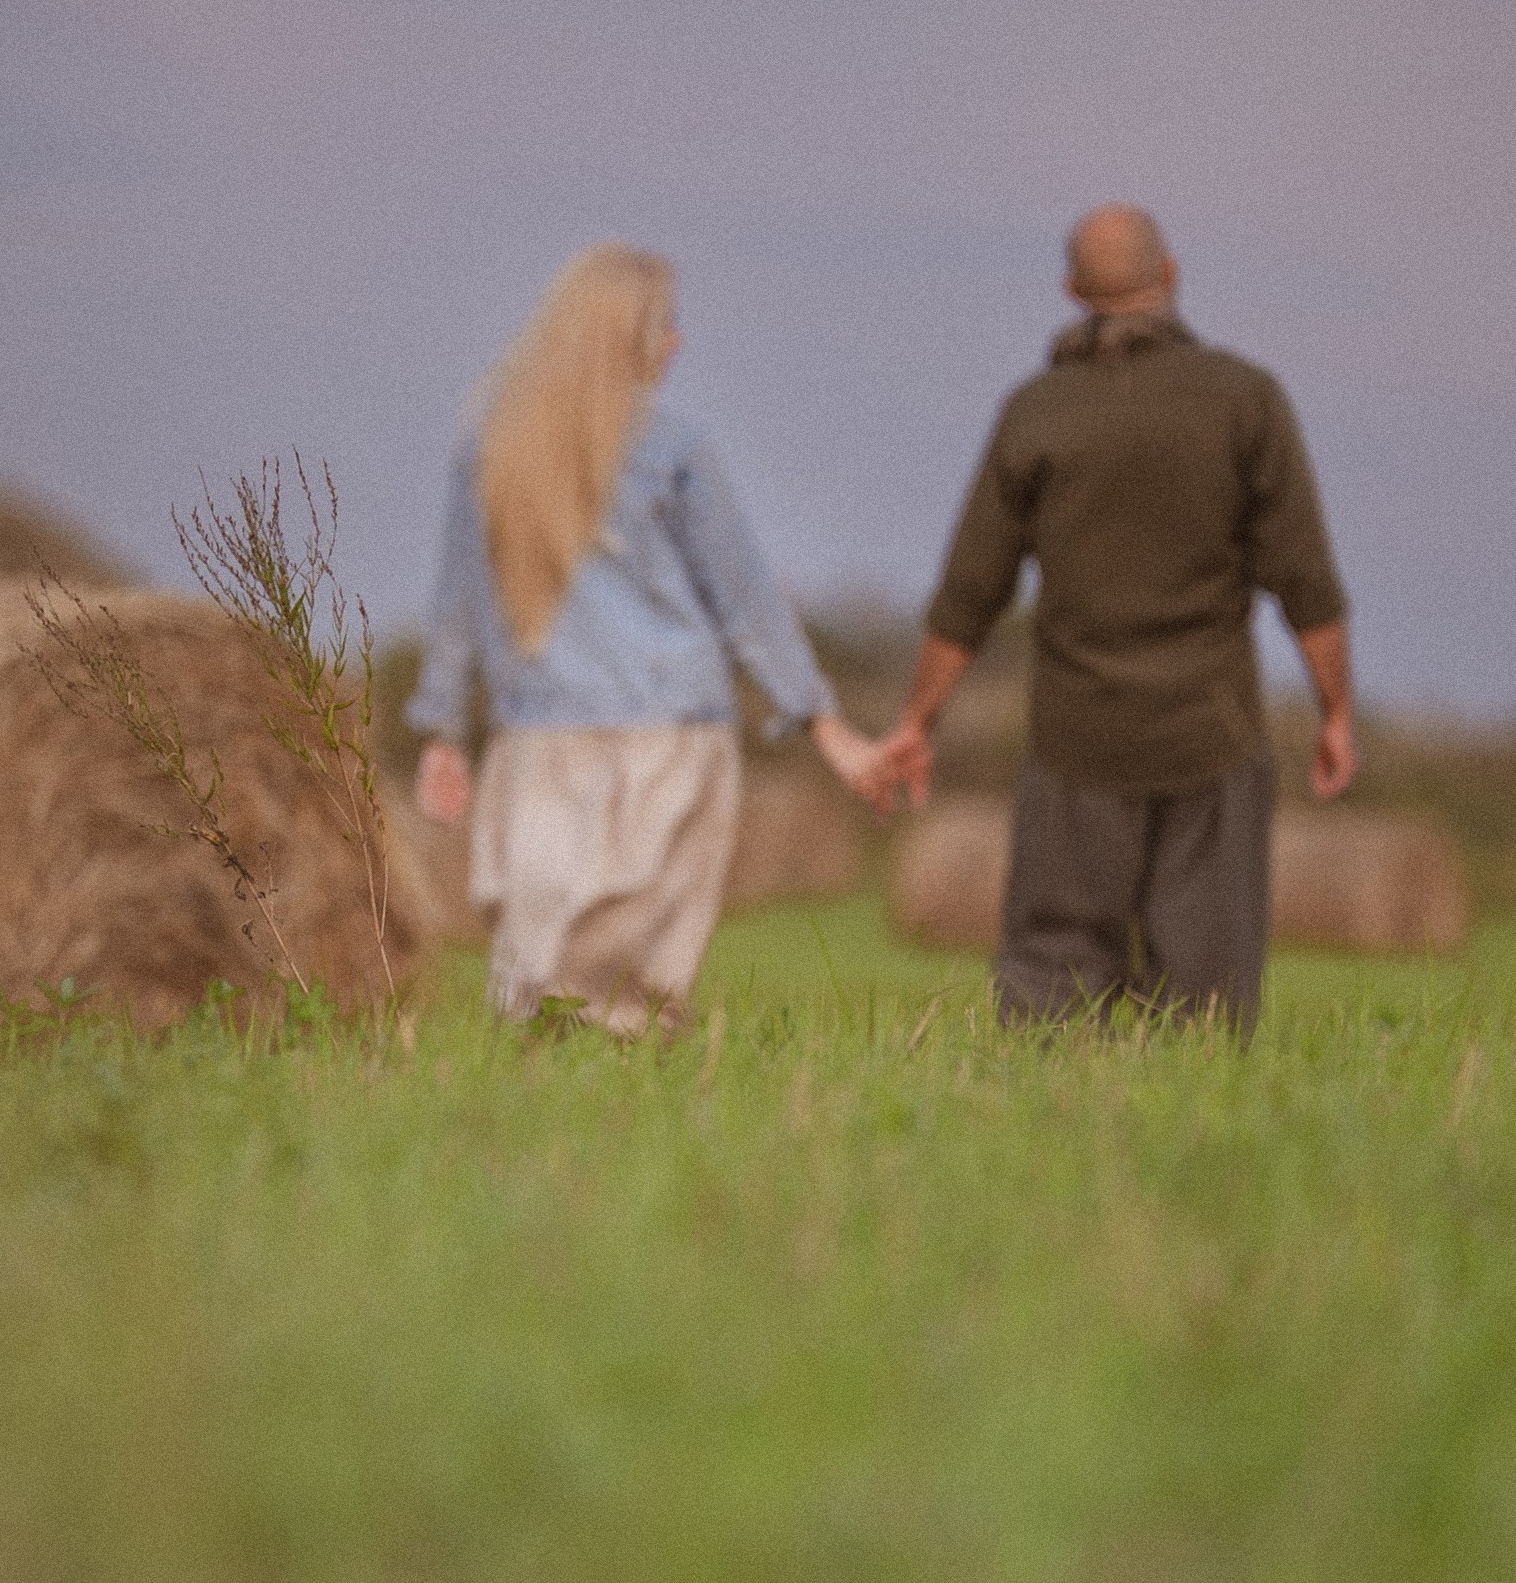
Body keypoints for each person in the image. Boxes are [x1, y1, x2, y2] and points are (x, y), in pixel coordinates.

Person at [875, 204, 1352, 1036]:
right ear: (1168, 274)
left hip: (1074, 741)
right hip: (1209, 734)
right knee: (1202, 1004)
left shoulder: (1036, 412)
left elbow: (968, 592)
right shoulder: (1245, 400)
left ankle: (1040, 1146)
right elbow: (1305, 582)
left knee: (1049, 988)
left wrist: (919, 718)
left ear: (1069, 292)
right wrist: (1335, 713)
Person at [411, 243, 890, 1032]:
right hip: (667, 740)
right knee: (630, 983)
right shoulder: (674, 451)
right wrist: (825, 726)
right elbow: (746, 602)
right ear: (622, 336)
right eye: (664, 326)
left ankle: (534, 1124)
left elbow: (457, 603)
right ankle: (627, 1116)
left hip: (538, 743)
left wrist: (442, 730)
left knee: (535, 968)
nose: (676, 343)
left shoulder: (489, 447)